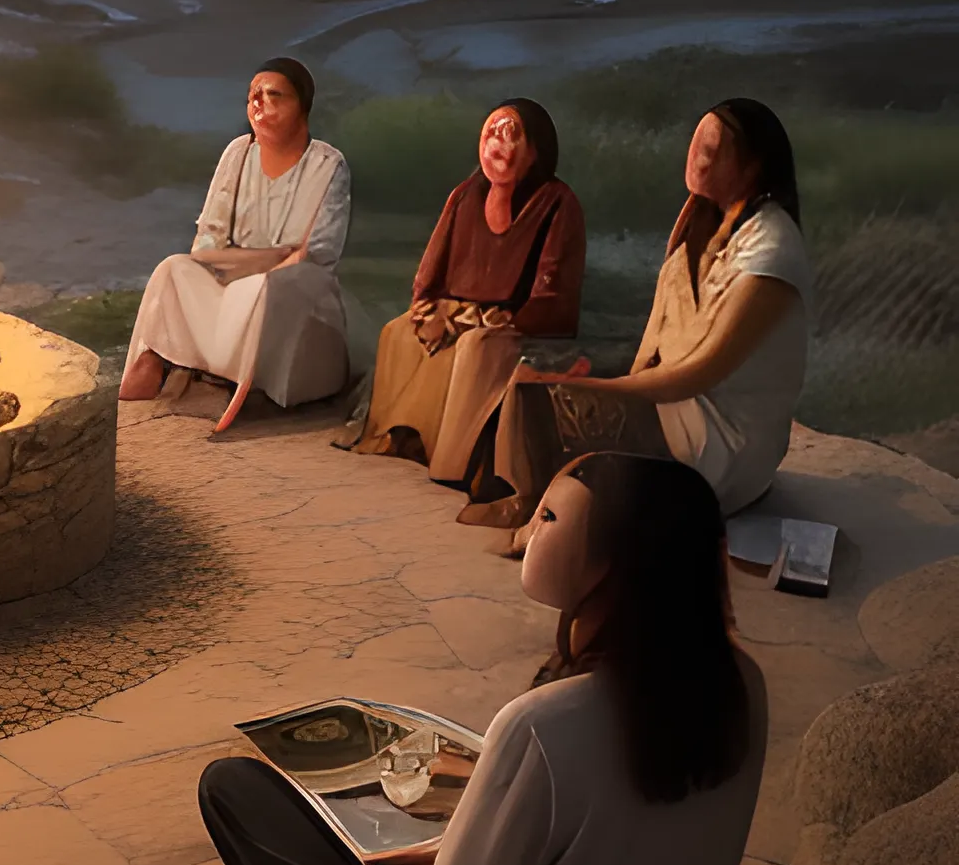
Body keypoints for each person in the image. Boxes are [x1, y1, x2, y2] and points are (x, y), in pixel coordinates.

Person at [200, 451, 764, 865]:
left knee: (235, 789)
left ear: (615, 559)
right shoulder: (741, 685)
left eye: (550, 515)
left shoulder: (546, 726)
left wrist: (401, 842)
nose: (527, 525)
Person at [460, 98, 809, 528]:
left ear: (752, 166)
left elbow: (704, 370)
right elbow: (659, 330)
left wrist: (616, 390)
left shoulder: (771, 246)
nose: (696, 156)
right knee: (531, 375)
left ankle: (544, 510)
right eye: (696, 142)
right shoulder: (701, 218)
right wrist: (612, 377)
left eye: (713, 149)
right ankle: (531, 496)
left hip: (718, 441)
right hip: (680, 404)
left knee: (558, 395)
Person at [337, 98, 585, 486]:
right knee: (397, 332)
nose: (498, 144)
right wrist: (428, 310)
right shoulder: (465, 194)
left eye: (511, 134)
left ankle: (452, 463)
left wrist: (501, 319)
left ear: (536, 150)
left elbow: (553, 292)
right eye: (491, 133)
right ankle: (402, 438)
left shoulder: (558, 203)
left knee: (476, 347)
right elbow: (429, 272)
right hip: (456, 309)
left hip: (519, 322)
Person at [121, 57, 351, 430]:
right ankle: (158, 361)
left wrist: (260, 266)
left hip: (296, 286)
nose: (258, 104)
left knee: (259, 289)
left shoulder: (327, 163)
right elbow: (208, 235)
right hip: (230, 271)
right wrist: (237, 262)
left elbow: (314, 252)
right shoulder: (237, 152)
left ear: (302, 105)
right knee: (173, 269)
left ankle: (239, 384)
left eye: (274, 95)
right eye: (253, 96)